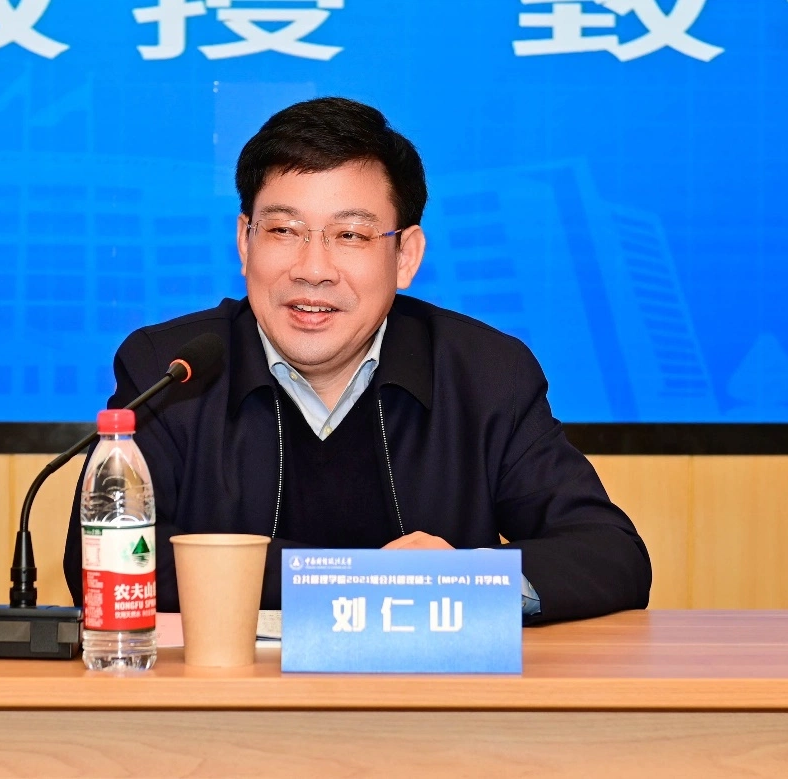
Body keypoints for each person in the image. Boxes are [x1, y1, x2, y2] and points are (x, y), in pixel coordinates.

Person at [64, 97, 651, 624]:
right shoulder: (170, 370)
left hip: (433, 702)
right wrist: (364, 581)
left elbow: (609, 553)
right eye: (284, 230)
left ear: (406, 256)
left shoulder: (485, 372)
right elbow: (104, 558)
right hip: (226, 699)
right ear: (245, 242)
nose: (313, 269)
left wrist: (468, 578)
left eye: (350, 236)